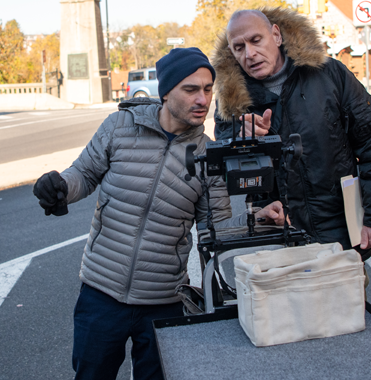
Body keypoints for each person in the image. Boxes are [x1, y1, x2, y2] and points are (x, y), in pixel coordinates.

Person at [32, 48, 285, 380]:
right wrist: (60, 186)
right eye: (191, 89)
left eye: (208, 89)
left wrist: (258, 218)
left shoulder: (208, 155)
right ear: (166, 92)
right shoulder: (120, 126)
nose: (203, 99)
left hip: (164, 300)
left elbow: (215, 230)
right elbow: (84, 174)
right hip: (101, 293)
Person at [211, 8, 371, 259]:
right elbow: (225, 171)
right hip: (277, 238)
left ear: (276, 36)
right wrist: (241, 139)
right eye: (238, 47)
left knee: (346, 297)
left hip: (340, 231)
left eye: (256, 40)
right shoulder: (231, 101)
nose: (249, 54)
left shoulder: (330, 75)